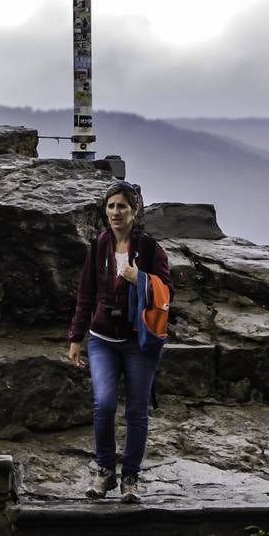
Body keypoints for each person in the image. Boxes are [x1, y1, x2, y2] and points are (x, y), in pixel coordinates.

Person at [67, 181, 173, 504]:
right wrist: (76, 336)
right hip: (102, 339)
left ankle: (130, 477)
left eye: (122, 206)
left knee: (138, 409)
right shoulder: (98, 246)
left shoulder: (151, 249)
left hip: (138, 340)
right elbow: (86, 294)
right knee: (105, 404)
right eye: (111, 206)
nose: (116, 212)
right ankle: (104, 471)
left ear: (134, 211)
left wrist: (137, 278)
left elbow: (167, 293)